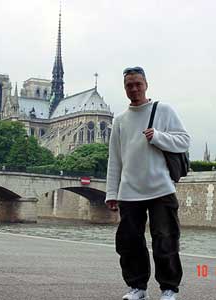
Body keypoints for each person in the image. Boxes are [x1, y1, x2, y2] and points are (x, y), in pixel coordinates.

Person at [105, 67, 190, 300]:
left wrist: (158, 136)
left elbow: (184, 141)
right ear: (124, 88)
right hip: (129, 192)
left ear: (146, 84)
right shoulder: (120, 120)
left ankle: (169, 289)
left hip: (161, 188)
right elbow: (115, 159)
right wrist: (111, 192)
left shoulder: (163, 110)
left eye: (137, 84)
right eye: (129, 85)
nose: (134, 88)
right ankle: (137, 288)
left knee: (165, 240)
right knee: (129, 243)